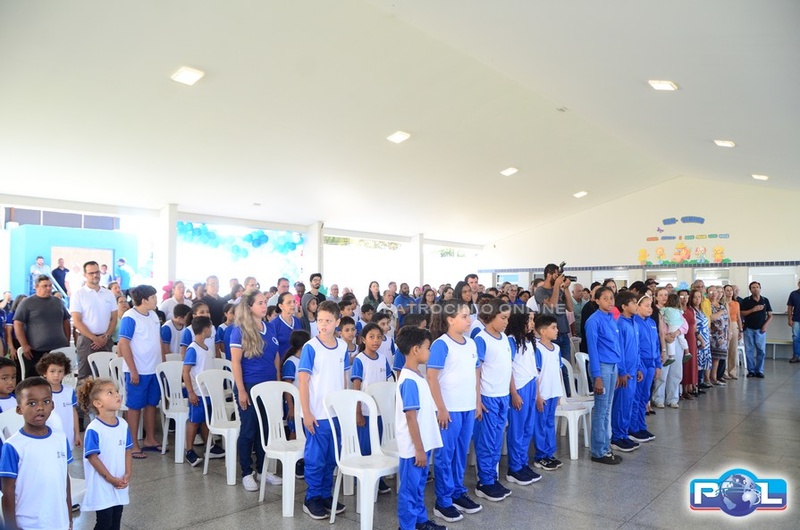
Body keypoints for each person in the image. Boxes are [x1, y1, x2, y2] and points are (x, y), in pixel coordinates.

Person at [427, 300, 482, 523]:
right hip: (448, 410)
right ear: (450, 320)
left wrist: (477, 401)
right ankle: (443, 501)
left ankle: (458, 492)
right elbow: (432, 378)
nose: (469, 320)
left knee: (461, 453)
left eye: (469, 316)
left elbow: (476, 374)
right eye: (464, 316)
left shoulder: (471, 344)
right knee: (445, 455)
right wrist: (441, 408)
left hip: (467, 407)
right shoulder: (441, 344)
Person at [297, 301, 348, 519]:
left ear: (337, 322)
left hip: (336, 414)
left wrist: (344, 409)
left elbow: (343, 378)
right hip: (317, 414)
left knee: (331, 458)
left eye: (328, 320)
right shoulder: (311, 347)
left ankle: (326, 494)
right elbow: (303, 382)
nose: (323, 325)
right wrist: (307, 412)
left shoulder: (343, 346)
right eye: (320, 320)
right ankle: (312, 498)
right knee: (315, 459)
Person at [0, 377, 73, 529]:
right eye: (32, 403)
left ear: (52, 405)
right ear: (19, 409)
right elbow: (7, 491)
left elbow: (64, 478)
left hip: (59, 522)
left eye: (46, 401)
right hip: (29, 524)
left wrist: (69, 518)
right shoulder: (13, 446)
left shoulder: (60, 438)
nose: (40, 407)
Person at [230, 290, 282, 490]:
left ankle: (262, 470)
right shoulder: (240, 331)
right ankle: (246, 472)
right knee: (249, 430)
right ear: (249, 306)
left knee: (265, 430)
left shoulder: (269, 327)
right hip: (249, 386)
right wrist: (241, 391)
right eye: (260, 303)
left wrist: (277, 382)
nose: (264, 306)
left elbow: (275, 356)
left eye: (265, 302)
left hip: (268, 387)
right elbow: (235, 362)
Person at [395, 326, 444, 530]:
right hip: (414, 449)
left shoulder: (417, 376)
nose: (429, 351)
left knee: (418, 486)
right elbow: (410, 417)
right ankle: (407, 526)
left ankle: (420, 521)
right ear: (416, 349)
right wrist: (419, 449)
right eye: (427, 347)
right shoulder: (409, 381)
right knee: (409, 489)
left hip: (422, 444)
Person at [77, 377, 132, 530]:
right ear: (98, 403)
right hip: (102, 484)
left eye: (116, 391)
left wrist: (128, 472)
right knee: (104, 521)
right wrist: (109, 478)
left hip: (119, 481)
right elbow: (93, 457)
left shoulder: (123, 424)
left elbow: (127, 450)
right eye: (110, 392)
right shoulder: (94, 428)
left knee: (116, 518)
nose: (117, 395)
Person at [472, 299, 513, 501]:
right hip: (488, 397)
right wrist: (477, 400)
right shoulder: (481, 339)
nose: (506, 322)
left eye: (508, 318)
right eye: (503, 318)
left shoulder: (504, 338)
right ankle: (484, 482)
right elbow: (476, 372)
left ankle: (492, 477)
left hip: (502, 395)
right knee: (486, 441)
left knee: (497, 440)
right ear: (491, 316)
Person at [117, 285, 164, 458]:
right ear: (144, 300)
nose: (156, 300)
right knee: (135, 406)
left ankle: (150, 439)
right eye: (153, 297)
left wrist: (162, 364)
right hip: (138, 370)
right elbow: (124, 344)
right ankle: (133, 444)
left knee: (152, 404)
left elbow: (158, 340)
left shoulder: (153, 315)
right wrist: (133, 370)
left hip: (154, 369)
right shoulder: (130, 317)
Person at [351, 322, 393, 494]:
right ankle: (362, 478)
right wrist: (358, 412)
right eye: (371, 337)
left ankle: (378, 479)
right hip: (365, 413)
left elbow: (388, 383)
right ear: (363, 339)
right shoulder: (360, 360)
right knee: (365, 447)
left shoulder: (383, 359)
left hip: (380, 412)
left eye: (379, 337)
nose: (376, 341)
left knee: (379, 447)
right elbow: (356, 387)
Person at [584, 287, 623, 465]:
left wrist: (619, 369)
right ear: (597, 300)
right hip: (602, 368)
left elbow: (615, 345)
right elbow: (592, 350)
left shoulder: (611, 318)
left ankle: (606, 447)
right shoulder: (594, 321)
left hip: (613, 366)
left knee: (607, 409)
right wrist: (597, 376)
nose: (609, 301)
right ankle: (598, 451)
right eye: (605, 298)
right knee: (601, 410)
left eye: (611, 298)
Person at [182, 316, 225, 466]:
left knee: (207, 421)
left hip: (208, 392)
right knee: (194, 422)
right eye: (211, 327)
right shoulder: (193, 349)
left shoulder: (207, 348)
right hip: (198, 393)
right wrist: (191, 392)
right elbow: (186, 371)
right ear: (206, 329)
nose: (212, 330)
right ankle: (189, 450)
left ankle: (209, 446)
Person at [505, 308, 541, 485]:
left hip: (531, 386)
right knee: (517, 430)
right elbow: (509, 369)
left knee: (528, 428)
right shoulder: (512, 341)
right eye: (529, 320)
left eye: (533, 319)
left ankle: (522, 463)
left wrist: (537, 392)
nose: (532, 323)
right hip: (519, 389)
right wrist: (514, 393)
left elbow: (533, 369)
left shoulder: (529, 341)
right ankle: (514, 468)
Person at [13, 275, 71, 378]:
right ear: (36, 287)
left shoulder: (58, 302)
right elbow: (17, 324)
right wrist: (24, 345)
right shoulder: (27, 303)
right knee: (33, 379)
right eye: (45, 286)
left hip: (58, 348)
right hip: (35, 351)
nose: (48, 288)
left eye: (50, 286)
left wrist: (67, 340)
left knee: (56, 378)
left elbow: (66, 321)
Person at [70, 261, 118, 379]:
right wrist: (94, 338)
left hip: (106, 339)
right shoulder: (78, 294)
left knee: (106, 377)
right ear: (85, 275)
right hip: (87, 341)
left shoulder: (108, 294)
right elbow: (77, 321)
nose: (95, 275)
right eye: (91, 273)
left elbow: (114, 318)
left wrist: (106, 337)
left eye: (97, 272)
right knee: (85, 377)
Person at [532, 314, 566, 471]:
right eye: (553, 328)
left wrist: (560, 392)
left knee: (550, 423)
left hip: (553, 392)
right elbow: (536, 375)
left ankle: (549, 453)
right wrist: (538, 396)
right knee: (540, 424)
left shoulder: (556, 348)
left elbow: (558, 371)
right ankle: (540, 456)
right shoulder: (537, 349)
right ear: (543, 331)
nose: (557, 330)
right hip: (543, 394)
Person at [610, 291, 642, 453]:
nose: (637, 306)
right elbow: (619, 351)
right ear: (624, 306)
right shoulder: (620, 324)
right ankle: (616, 437)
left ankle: (624, 434)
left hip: (633, 370)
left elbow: (637, 348)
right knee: (621, 405)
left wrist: (639, 367)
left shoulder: (634, 323)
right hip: (625, 373)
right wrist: (621, 371)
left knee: (628, 404)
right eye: (634, 303)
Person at [534, 264, 574, 393]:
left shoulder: (560, 289)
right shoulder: (540, 291)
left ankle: (567, 394)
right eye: (556, 274)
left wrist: (566, 289)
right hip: (549, 336)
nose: (558, 277)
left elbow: (570, 308)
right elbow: (552, 305)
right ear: (549, 274)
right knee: (552, 368)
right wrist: (556, 286)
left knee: (565, 368)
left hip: (563, 333)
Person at [629, 295, 660, 443]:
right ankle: (633, 428)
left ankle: (641, 426)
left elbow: (657, 344)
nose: (650, 308)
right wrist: (639, 366)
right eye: (646, 305)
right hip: (641, 364)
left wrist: (658, 364)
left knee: (645, 397)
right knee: (637, 397)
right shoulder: (635, 322)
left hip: (651, 363)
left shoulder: (652, 322)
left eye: (651, 305)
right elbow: (636, 347)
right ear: (638, 306)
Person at [36, 352, 80, 449]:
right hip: (49, 439)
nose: (56, 375)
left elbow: (73, 413)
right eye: (52, 371)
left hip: (68, 436)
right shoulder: (40, 393)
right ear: (45, 373)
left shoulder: (69, 391)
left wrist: (77, 433)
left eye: (60, 371)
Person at [740, 281, 772, 378]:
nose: (755, 289)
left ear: (760, 288)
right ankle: (751, 370)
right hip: (748, 329)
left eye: (757, 287)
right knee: (749, 350)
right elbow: (742, 313)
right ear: (750, 290)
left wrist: (765, 326)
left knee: (761, 350)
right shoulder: (746, 300)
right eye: (753, 287)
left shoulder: (765, 300)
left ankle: (759, 370)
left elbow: (770, 315)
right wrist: (753, 310)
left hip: (761, 329)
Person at [708, 286, 729, 386]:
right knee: (712, 357)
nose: (713, 293)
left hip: (722, 335)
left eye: (715, 291)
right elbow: (710, 318)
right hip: (712, 335)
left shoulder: (722, 306)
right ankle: (710, 378)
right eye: (711, 291)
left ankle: (715, 377)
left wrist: (728, 333)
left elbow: (726, 320)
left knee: (718, 358)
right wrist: (720, 313)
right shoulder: (708, 305)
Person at [786, 279, 800, 364]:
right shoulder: (793, 294)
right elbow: (790, 307)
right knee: (796, 338)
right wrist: (789, 319)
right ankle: (796, 356)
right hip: (796, 319)